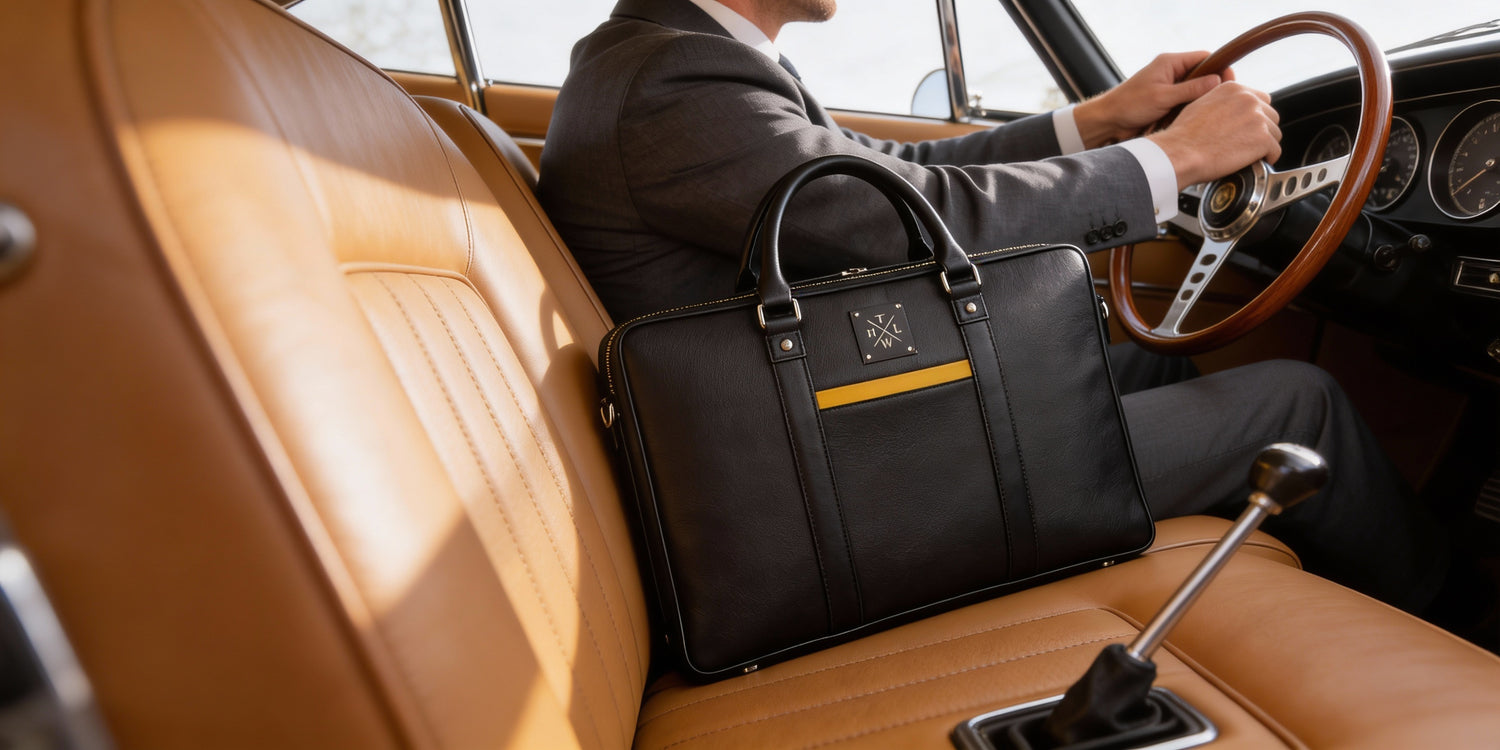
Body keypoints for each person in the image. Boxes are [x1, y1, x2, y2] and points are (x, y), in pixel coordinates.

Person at [537, 0, 1449, 613]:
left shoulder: (678, 61)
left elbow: (898, 179)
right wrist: (1179, 161)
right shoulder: (669, 84)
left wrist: (1099, 120)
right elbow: (910, 220)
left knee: (1123, 347)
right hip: (833, 505)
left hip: (818, 449)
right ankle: (1461, 628)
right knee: (1299, 405)